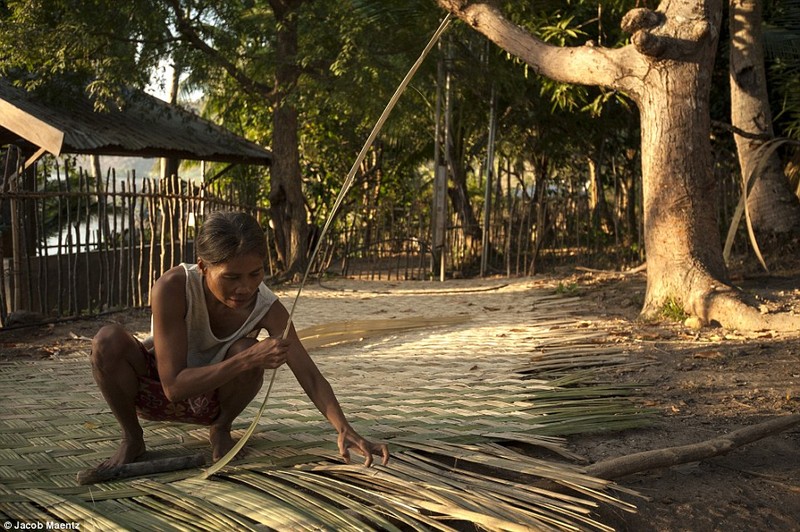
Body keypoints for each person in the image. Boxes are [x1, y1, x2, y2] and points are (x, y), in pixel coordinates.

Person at [90, 210, 389, 469]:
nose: (245, 288)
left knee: (248, 347)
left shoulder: (267, 308)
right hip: (151, 392)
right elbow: (174, 388)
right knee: (107, 340)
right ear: (203, 266)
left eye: (255, 274)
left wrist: (344, 428)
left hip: (212, 403)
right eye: (231, 277)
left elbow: (309, 375)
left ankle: (221, 428)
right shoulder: (173, 287)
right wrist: (249, 358)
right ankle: (132, 437)